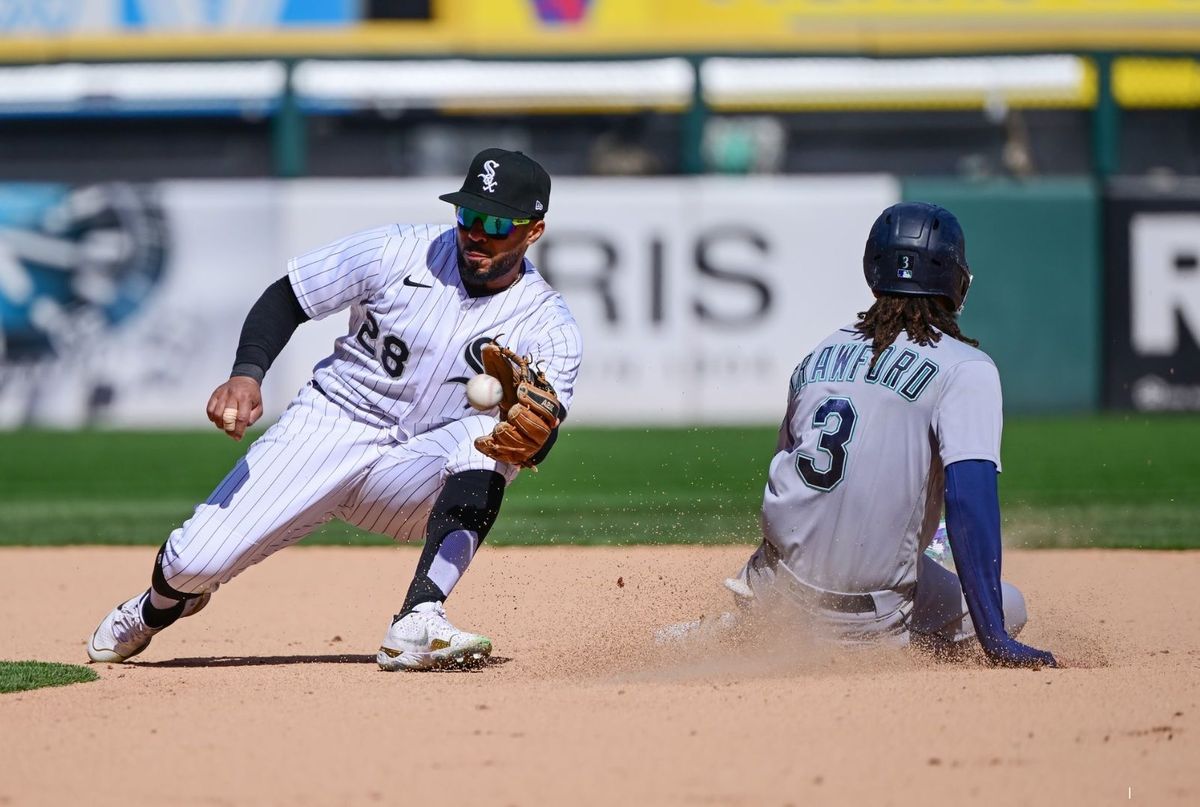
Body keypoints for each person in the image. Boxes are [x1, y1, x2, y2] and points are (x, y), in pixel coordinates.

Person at [87, 148, 581, 671]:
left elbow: (543, 427)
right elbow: (288, 297)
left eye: (497, 224)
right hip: (329, 426)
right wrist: (246, 374)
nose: (477, 233)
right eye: (469, 215)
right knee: (192, 563)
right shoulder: (397, 250)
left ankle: (418, 617)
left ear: (534, 231)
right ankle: (156, 608)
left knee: (491, 439)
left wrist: (535, 436)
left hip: (415, 471)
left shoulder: (548, 324)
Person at [665, 202, 1055, 668]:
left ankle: (745, 629)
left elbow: (790, 482)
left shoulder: (820, 353)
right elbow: (969, 503)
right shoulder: (966, 368)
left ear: (873, 269)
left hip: (776, 591)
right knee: (1011, 605)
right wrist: (996, 639)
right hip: (870, 620)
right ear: (955, 278)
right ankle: (882, 653)